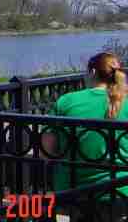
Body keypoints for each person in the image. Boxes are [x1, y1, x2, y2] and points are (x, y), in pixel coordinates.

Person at [41, 52, 128, 221]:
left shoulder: (67, 101)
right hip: (121, 190)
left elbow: (46, 151)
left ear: (92, 73)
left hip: (74, 192)